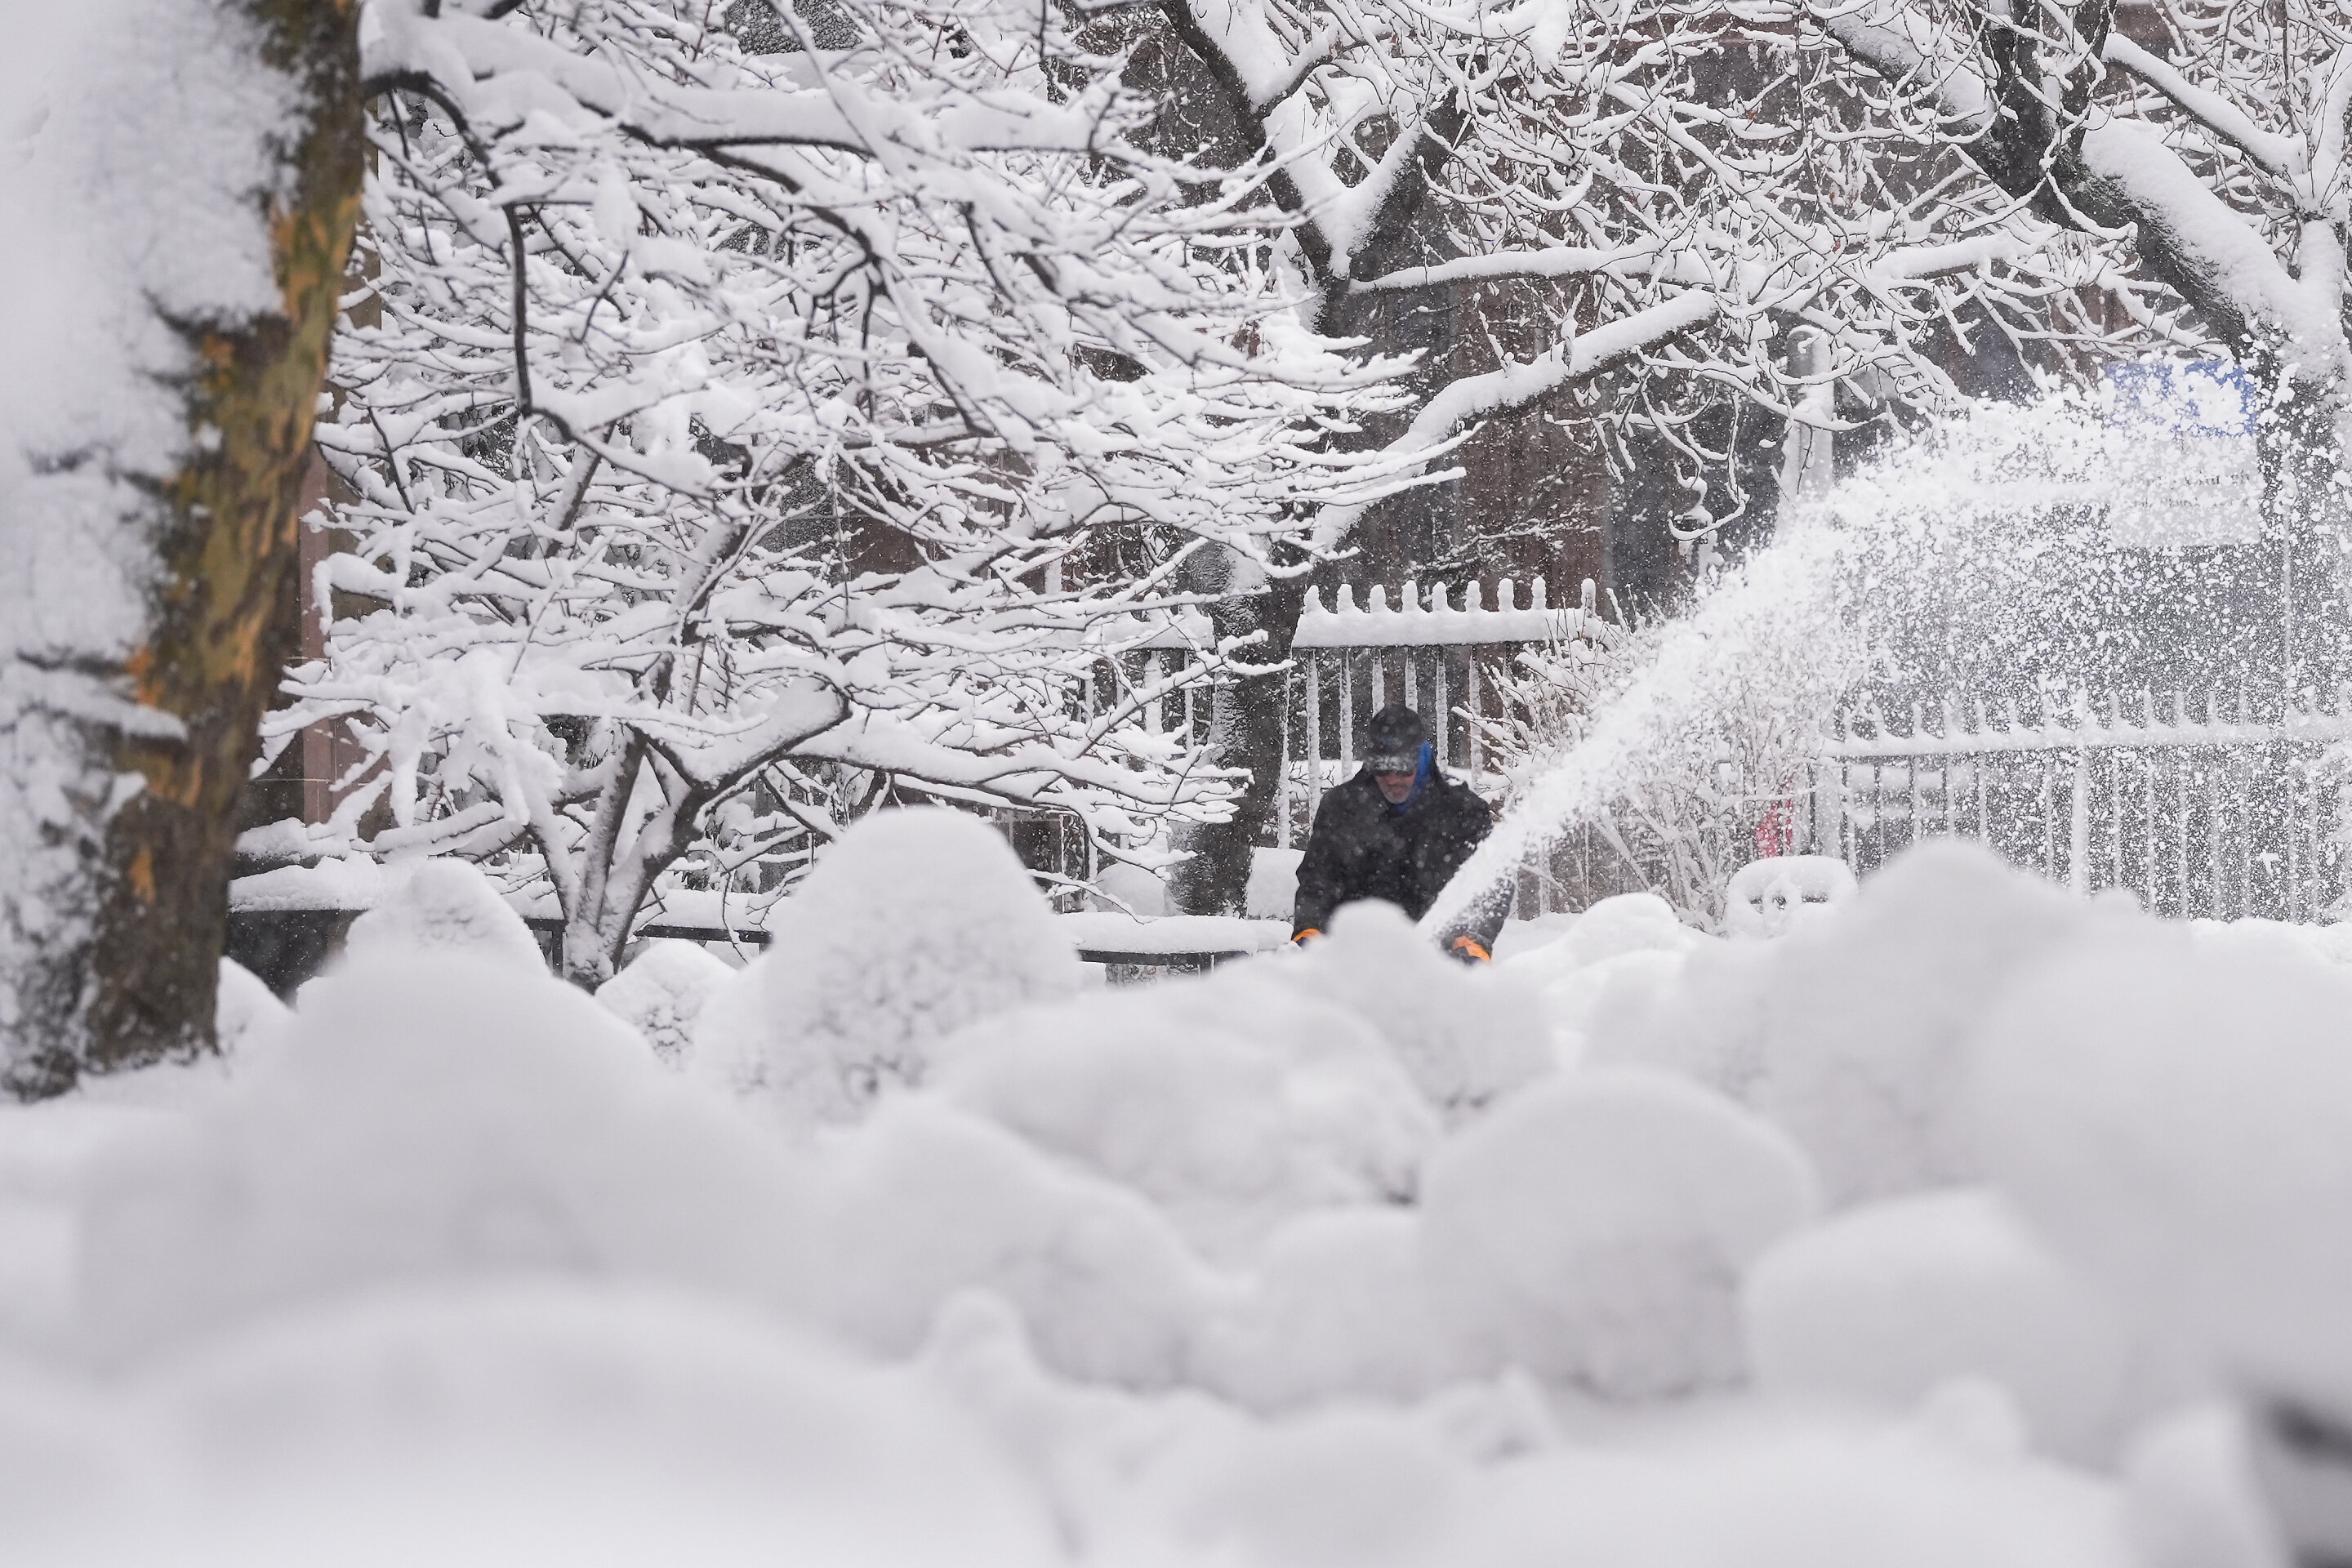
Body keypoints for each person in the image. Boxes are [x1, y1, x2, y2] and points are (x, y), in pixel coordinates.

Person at [1290, 704, 1508, 962]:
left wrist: (1473, 941)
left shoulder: (1462, 811)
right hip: (1354, 958)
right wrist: (1310, 931)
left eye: (1402, 766)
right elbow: (1318, 880)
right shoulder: (1341, 808)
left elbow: (1491, 885)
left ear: (1422, 758)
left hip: (1439, 960)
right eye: (1382, 767)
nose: (1392, 779)